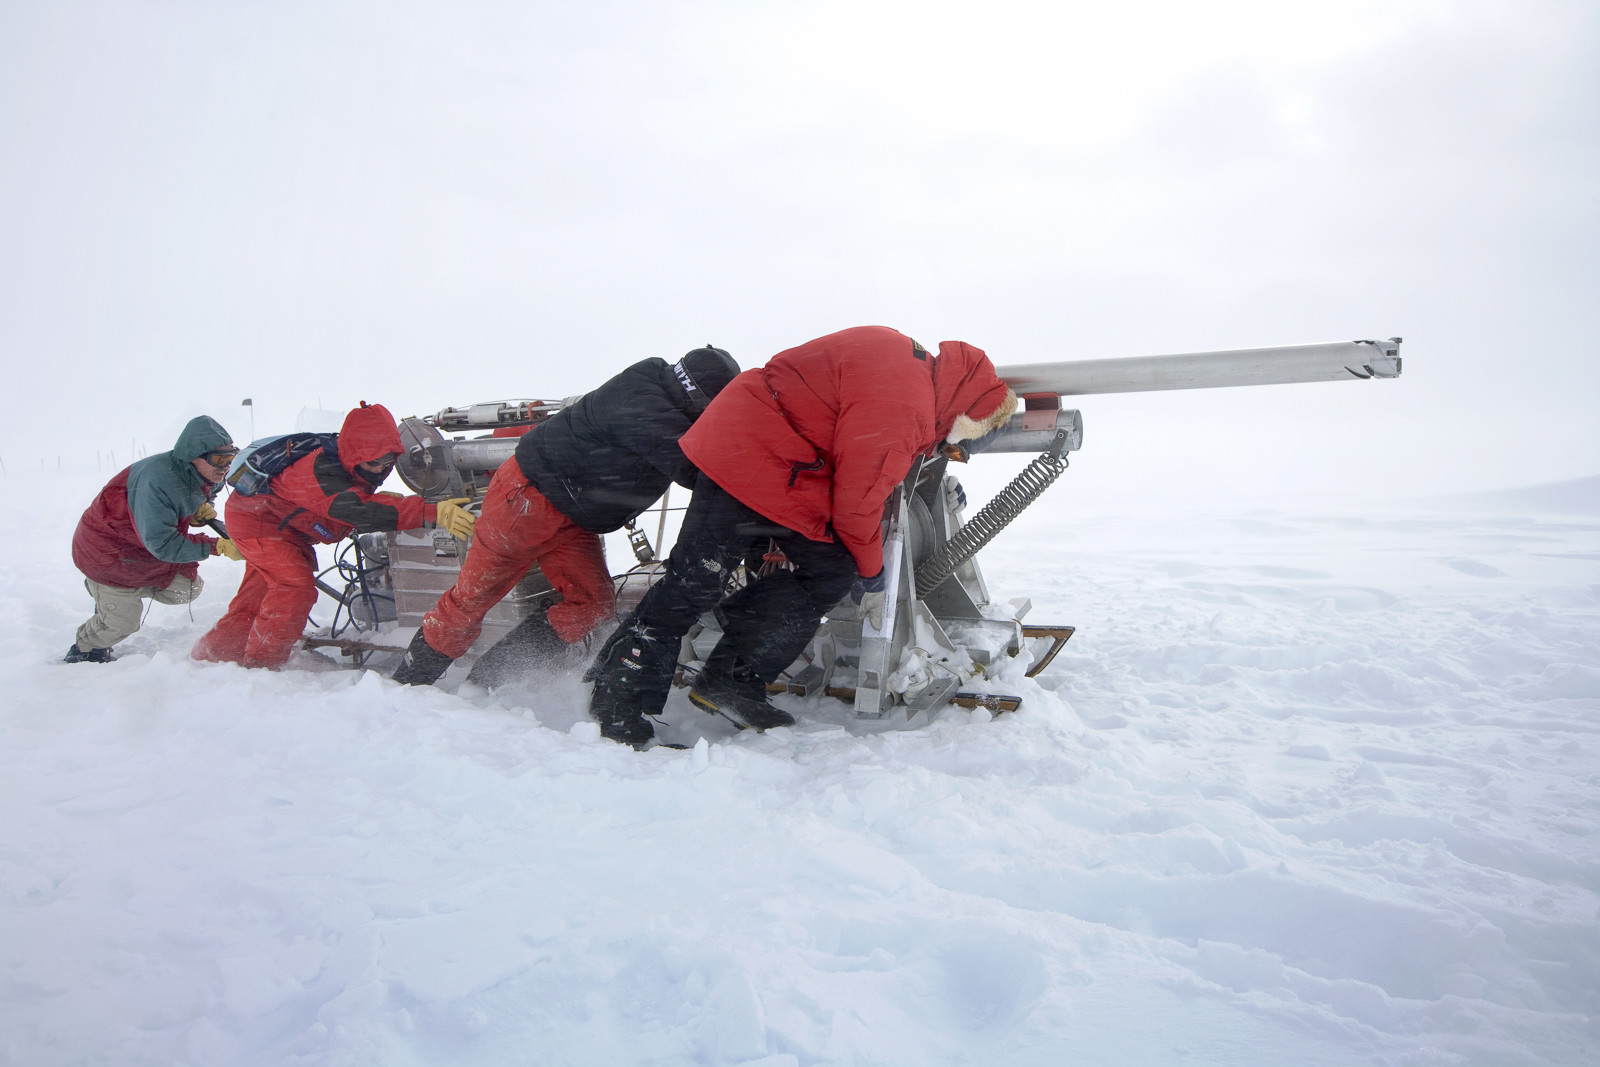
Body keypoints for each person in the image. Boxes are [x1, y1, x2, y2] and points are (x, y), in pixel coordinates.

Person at [586, 325, 1017, 746]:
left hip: (785, 464)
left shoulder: (910, 364)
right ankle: (617, 705)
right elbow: (856, 504)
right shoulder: (906, 404)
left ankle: (732, 678)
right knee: (695, 580)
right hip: (748, 448)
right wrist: (873, 576)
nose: (947, 452)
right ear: (965, 419)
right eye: (957, 447)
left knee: (829, 569)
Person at [392, 346, 742, 687]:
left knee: (593, 603)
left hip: (572, 518)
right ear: (695, 398)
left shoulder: (656, 387)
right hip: (526, 501)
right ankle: (410, 682)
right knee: (471, 600)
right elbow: (696, 470)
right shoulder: (646, 407)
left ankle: (490, 678)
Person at [191, 402, 476, 669]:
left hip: (286, 526)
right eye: (372, 461)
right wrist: (430, 511)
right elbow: (352, 509)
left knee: (259, 597)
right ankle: (261, 667)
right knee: (294, 589)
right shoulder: (318, 469)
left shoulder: (350, 466)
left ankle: (212, 655)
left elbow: (349, 503)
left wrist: (391, 503)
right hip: (258, 523)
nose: (379, 468)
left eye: (387, 458)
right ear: (354, 452)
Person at [67, 416, 244, 663]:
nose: (225, 467)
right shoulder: (158, 479)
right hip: (110, 553)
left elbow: (202, 496)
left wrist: (199, 508)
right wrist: (218, 546)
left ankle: (116, 598)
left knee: (188, 589)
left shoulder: (205, 474)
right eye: (218, 460)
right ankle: (86, 647)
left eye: (230, 459)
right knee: (123, 624)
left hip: (143, 548)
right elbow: (163, 544)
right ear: (193, 455)